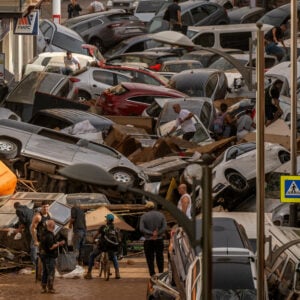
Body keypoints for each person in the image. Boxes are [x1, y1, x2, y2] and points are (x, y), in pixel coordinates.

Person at [84, 214, 121, 280]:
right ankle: (117, 273)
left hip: (102, 246)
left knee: (92, 255)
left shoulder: (104, 227)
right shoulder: (115, 228)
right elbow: (119, 239)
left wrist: (93, 240)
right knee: (114, 257)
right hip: (112, 247)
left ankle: (89, 273)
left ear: (107, 220)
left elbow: (96, 235)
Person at [139, 201, 167, 277]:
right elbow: (164, 227)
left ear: (147, 208)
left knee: (150, 259)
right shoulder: (161, 215)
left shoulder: (144, 216)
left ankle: (152, 275)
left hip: (148, 240)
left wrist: (151, 233)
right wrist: (157, 233)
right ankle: (161, 273)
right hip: (159, 239)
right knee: (160, 257)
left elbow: (141, 229)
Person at [39, 220, 65, 294]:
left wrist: (56, 243)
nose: (54, 226)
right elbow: (51, 247)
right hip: (49, 256)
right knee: (51, 272)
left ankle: (43, 288)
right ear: (52, 226)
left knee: (45, 272)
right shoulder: (49, 235)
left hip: (43, 256)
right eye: (54, 225)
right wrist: (59, 243)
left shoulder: (43, 233)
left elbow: (45, 245)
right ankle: (50, 288)